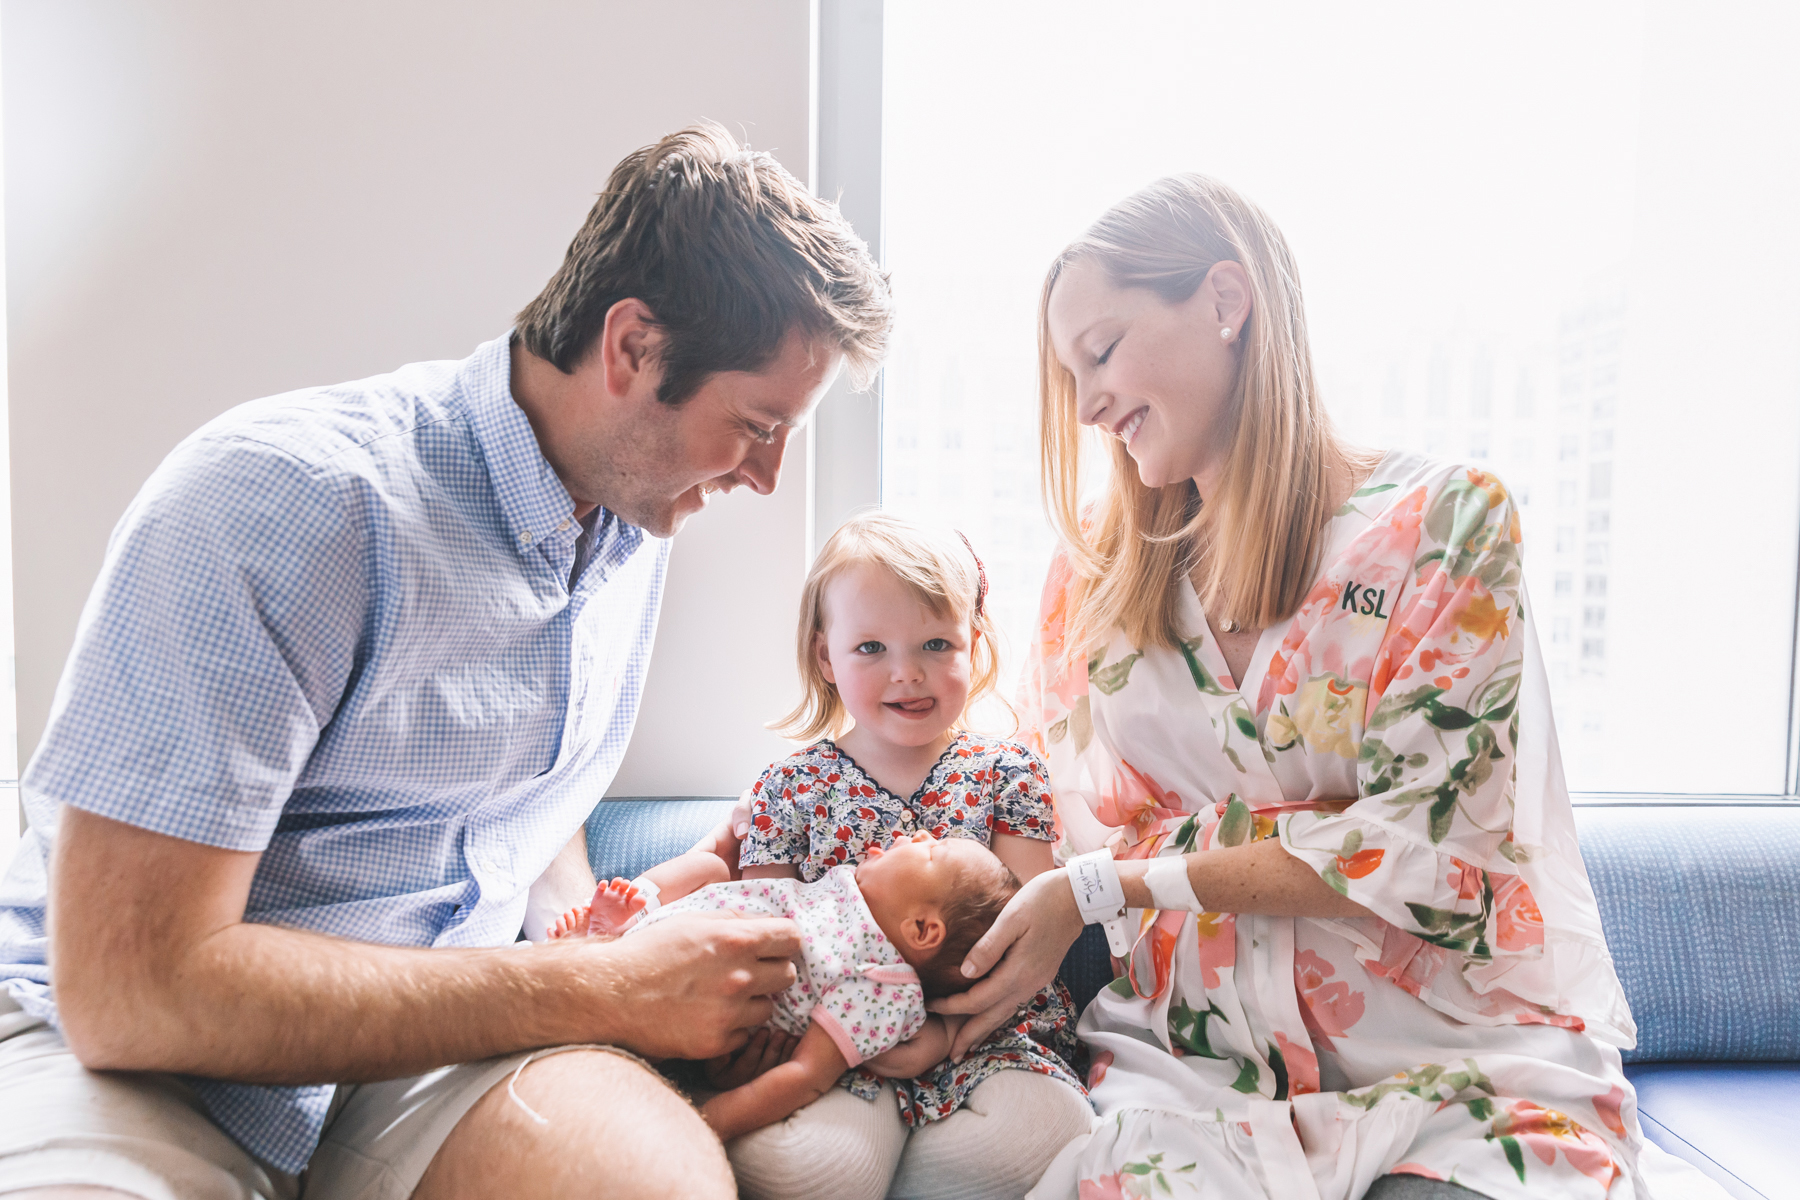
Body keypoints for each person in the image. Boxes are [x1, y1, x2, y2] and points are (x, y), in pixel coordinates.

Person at [0, 123, 891, 1200]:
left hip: (423, 1054)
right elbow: (134, 990)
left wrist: (600, 925)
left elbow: (508, 793)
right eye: (755, 425)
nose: (766, 477)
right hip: (145, 1061)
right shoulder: (282, 505)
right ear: (632, 350)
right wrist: (594, 986)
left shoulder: (628, 519)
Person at [933, 176, 1648, 1199]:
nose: (1087, 404)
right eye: (1068, 372)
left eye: (1102, 351)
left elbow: (1425, 845)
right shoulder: (1090, 580)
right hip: (1194, 1081)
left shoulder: (1442, 529)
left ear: (1226, 302)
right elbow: (1078, 824)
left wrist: (1130, 881)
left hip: (1456, 1072)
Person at [702, 512, 1095, 1199]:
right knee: (798, 1170)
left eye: (936, 643)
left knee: (1046, 1136)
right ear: (827, 658)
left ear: (975, 644)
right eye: (871, 648)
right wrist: (742, 1058)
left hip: (988, 1037)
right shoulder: (787, 789)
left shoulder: (1009, 772)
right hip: (834, 1049)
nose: (906, 674)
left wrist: (943, 1035)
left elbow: (1027, 944)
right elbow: (760, 935)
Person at [548, 831, 1021, 1142]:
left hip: (690, 1002)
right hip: (677, 936)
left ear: (922, 929)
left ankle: (603, 955)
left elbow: (807, 1075)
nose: (914, 834)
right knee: (709, 867)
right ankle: (628, 915)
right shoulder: (846, 890)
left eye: (931, 849)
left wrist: (706, 1121)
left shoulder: (882, 984)